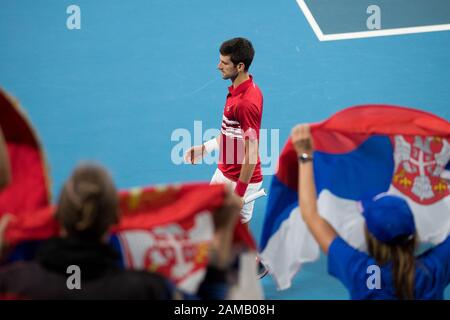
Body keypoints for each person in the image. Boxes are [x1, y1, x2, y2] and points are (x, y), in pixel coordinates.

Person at [0, 163, 241, 299]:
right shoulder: (149, 291)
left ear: (58, 217)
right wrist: (219, 250)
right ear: (116, 217)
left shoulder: (15, 281)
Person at [291, 123, 450, 300]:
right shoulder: (433, 270)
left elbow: (310, 215)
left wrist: (304, 155)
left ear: (370, 236)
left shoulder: (359, 271)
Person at [185, 37, 266, 277]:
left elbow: (251, 154)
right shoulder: (241, 90)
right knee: (213, 217)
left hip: (242, 179)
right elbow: (231, 132)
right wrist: (206, 147)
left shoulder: (245, 104)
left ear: (240, 66)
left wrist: (240, 193)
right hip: (225, 171)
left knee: (231, 227)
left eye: (224, 62)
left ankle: (245, 267)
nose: (218, 66)